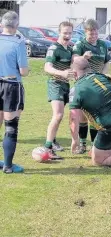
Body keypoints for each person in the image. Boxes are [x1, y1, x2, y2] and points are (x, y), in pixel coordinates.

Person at [69, 57, 111, 166]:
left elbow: (73, 118)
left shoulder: (76, 90)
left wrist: (74, 140)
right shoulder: (101, 76)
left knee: (98, 160)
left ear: (74, 73)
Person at [72, 19, 111, 154]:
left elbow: (107, 62)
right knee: (83, 116)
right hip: (84, 84)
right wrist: (84, 57)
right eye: (91, 34)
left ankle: (94, 145)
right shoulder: (80, 44)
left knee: (95, 116)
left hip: (98, 84)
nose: (94, 36)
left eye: (95, 33)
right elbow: (75, 60)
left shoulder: (103, 45)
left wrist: (102, 75)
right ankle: (83, 144)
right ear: (85, 32)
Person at [0, 11, 28, 173]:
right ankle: (8, 166)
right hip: (11, 86)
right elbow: (23, 71)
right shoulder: (18, 43)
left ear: (2, 24)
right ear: (16, 25)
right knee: (11, 127)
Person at [43, 21, 75, 159]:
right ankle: (47, 147)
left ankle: (53, 141)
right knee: (58, 115)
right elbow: (47, 67)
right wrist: (61, 73)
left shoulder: (69, 49)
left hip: (65, 85)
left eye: (69, 33)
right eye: (65, 33)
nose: (67, 35)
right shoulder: (53, 48)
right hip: (55, 83)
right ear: (59, 32)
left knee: (60, 116)